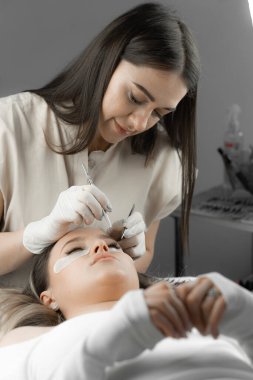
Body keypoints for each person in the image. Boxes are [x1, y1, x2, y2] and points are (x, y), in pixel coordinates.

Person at [0, 2, 200, 287]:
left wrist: (130, 252)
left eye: (159, 113)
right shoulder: (10, 128)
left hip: (97, 320)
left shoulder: (162, 161)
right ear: (106, 62)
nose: (139, 123)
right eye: (134, 97)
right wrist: (35, 235)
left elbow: (147, 254)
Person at [0, 226, 252, 380]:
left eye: (113, 245)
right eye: (74, 250)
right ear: (49, 297)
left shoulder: (198, 315)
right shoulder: (28, 336)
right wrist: (120, 333)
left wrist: (245, 318)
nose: (102, 246)